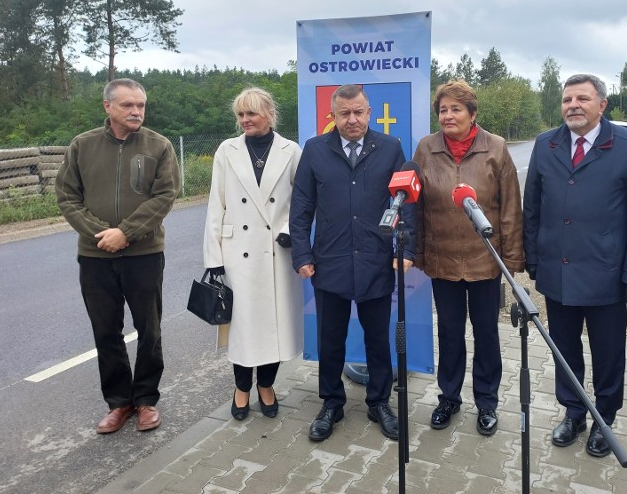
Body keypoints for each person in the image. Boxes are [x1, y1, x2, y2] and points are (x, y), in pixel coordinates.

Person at [522, 74, 627, 458]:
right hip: (558, 271)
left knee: (608, 352)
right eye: (567, 99)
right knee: (564, 349)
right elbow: (533, 206)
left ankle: (605, 418)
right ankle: (574, 411)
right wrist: (533, 256)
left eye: (582, 98)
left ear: (602, 105)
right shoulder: (547, 143)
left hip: (607, 275)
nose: (573, 105)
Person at [290, 84, 414, 442]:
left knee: (378, 340)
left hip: (377, 260)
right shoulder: (315, 150)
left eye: (359, 111)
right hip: (330, 262)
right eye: (344, 113)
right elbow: (301, 208)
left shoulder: (390, 148)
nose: (352, 119)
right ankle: (331, 403)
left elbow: (405, 202)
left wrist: (405, 251)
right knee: (330, 341)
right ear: (334, 115)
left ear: (369, 112)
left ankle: (379, 403)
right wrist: (301, 254)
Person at [55, 78, 180, 434]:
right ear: (108, 106)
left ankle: (145, 401)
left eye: (140, 105)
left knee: (149, 329)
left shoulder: (159, 146)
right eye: (128, 105)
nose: (136, 111)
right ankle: (119, 403)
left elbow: (165, 196)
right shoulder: (83, 146)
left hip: (144, 255)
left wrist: (125, 232)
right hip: (95, 258)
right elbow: (67, 197)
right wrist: (101, 235)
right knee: (106, 331)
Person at [412, 79, 524, 436]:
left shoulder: (496, 147)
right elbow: (415, 205)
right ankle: (449, 397)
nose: (448, 115)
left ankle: (487, 402)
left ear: (472, 113)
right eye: (442, 109)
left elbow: (510, 207)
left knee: (487, 334)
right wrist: (416, 252)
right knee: (449, 332)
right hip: (442, 259)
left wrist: (512, 259)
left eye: (455, 109)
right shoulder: (425, 148)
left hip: (485, 260)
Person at [203, 87, 303, 421]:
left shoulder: (291, 151)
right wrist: (213, 261)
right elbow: (216, 205)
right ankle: (242, 388)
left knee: (273, 327)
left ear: (270, 114)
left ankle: (267, 386)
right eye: (241, 115)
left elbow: (302, 202)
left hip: (276, 252)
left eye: (252, 114)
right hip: (237, 254)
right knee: (243, 328)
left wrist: (289, 230)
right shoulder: (226, 150)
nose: (245, 120)